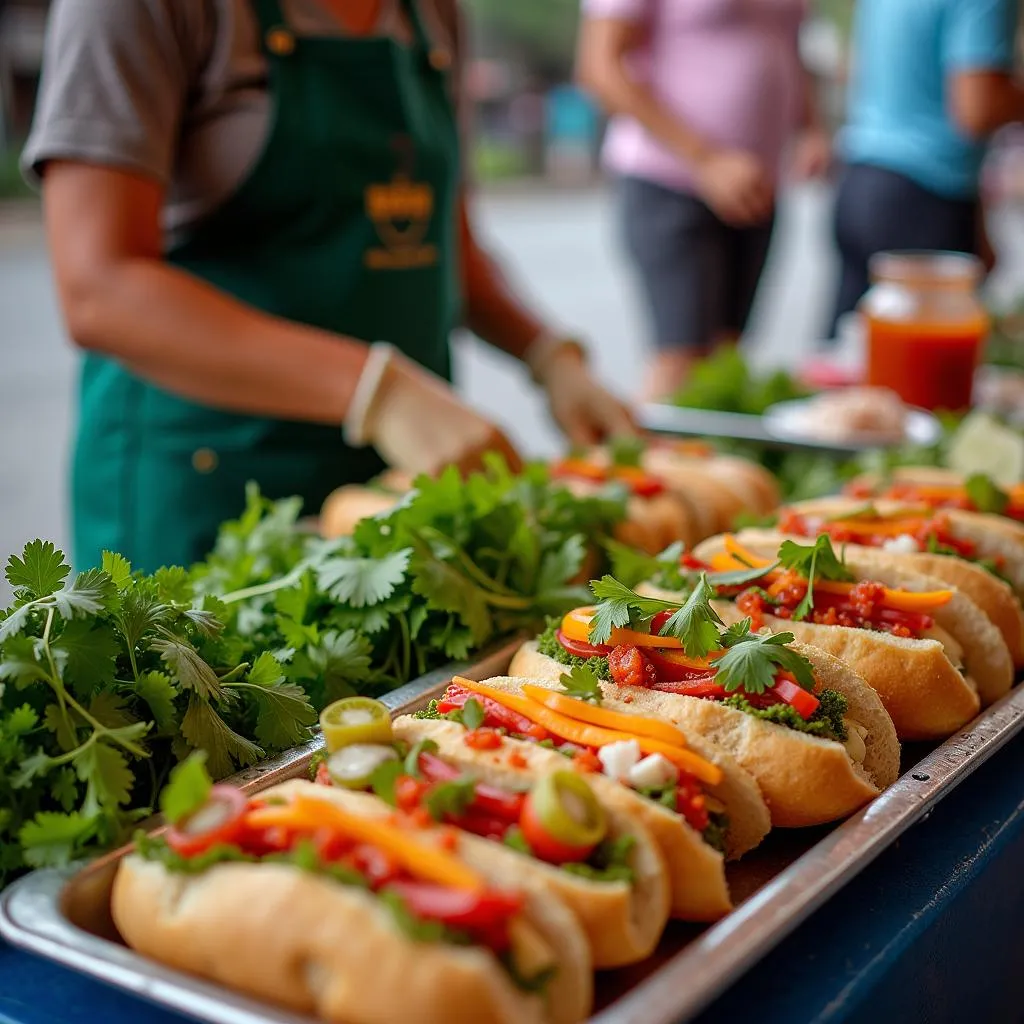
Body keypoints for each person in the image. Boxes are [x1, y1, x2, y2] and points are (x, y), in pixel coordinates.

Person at [21, 0, 635, 573]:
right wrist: (379, 393)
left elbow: (448, 243)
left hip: (393, 495)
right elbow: (100, 288)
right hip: (206, 495)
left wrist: (547, 356)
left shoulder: (430, 13)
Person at [576, 0, 831, 400]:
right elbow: (601, 68)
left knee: (724, 362)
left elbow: (788, 44)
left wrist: (811, 125)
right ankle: (639, 460)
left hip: (756, 186)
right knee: (680, 362)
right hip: (668, 178)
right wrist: (705, 159)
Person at [830, 0, 1023, 331]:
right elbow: (976, 108)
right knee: (923, 369)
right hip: (922, 195)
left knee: (854, 353)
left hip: (860, 178)